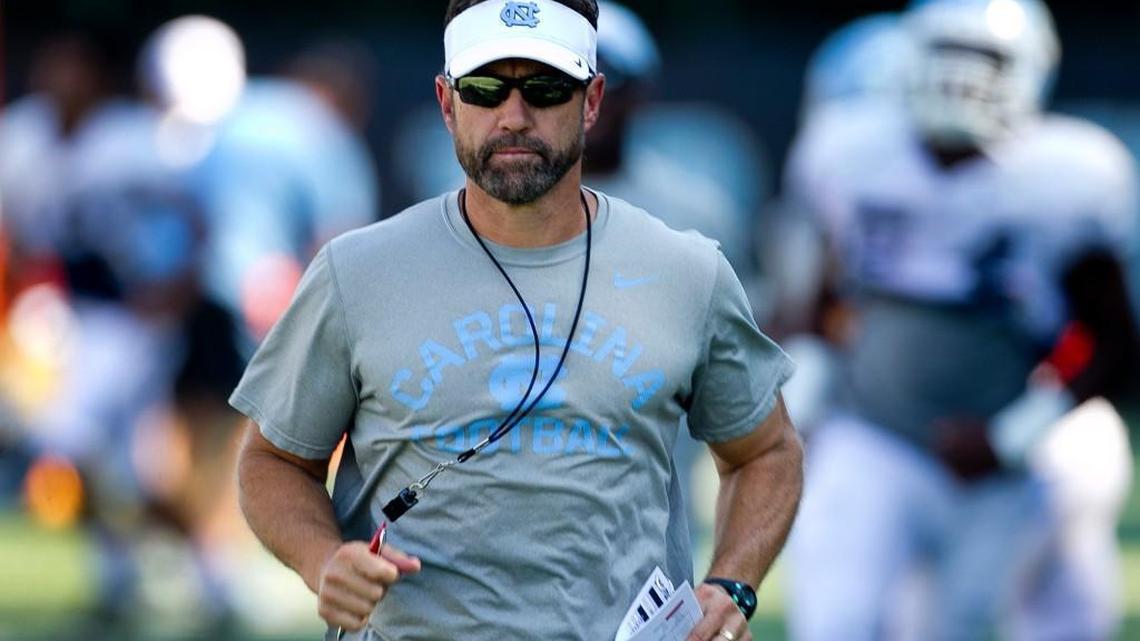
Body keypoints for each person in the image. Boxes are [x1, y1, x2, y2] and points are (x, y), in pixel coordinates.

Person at [231, 1, 803, 640]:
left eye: (546, 87)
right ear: (448, 104)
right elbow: (273, 461)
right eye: (484, 88)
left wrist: (732, 587)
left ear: (591, 101)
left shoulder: (687, 270)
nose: (514, 116)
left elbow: (768, 450)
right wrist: (322, 559)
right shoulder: (355, 271)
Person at [780, 1, 1140, 640]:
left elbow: (1112, 341)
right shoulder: (854, 153)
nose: (962, 77)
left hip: (998, 455)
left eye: (986, 58)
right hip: (874, 433)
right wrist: (799, 411)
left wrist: (1012, 436)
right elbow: (822, 301)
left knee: (965, 623)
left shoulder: (1067, 178)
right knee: (838, 618)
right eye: (948, 53)